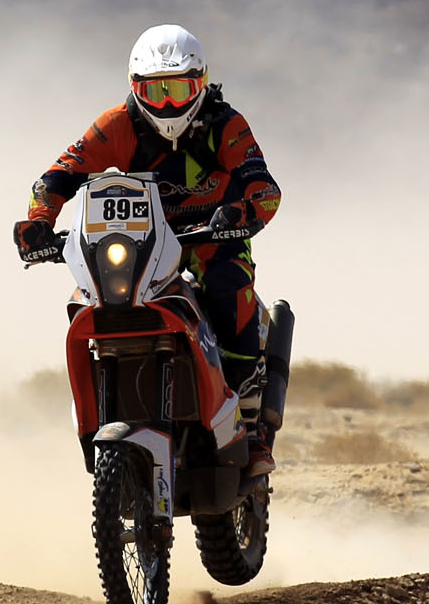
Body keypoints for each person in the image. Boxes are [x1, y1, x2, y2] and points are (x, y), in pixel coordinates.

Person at [15, 24, 282, 474]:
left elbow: (264, 186)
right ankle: (103, 409)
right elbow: (57, 175)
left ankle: (248, 425)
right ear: (134, 88)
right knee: (87, 299)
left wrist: (242, 214)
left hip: (212, 240)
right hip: (142, 241)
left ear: (201, 83)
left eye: (180, 88)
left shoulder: (225, 124)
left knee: (226, 289)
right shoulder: (116, 124)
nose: (169, 103)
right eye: (156, 91)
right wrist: (39, 222)